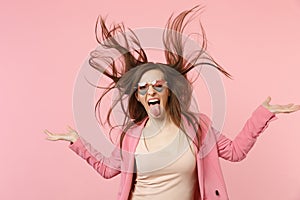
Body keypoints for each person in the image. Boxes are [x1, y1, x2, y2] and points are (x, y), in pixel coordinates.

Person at [44, 6, 300, 200]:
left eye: (158, 85)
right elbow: (107, 169)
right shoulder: (131, 135)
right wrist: (76, 141)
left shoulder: (197, 127)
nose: (150, 92)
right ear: (137, 96)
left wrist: (263, 113)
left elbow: (234, 152)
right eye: (142, 88)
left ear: (169, 91)